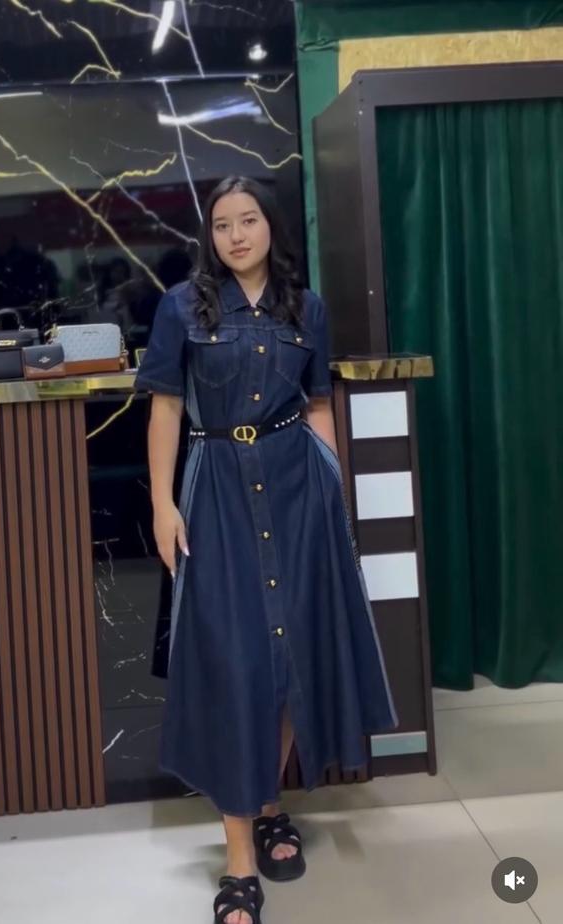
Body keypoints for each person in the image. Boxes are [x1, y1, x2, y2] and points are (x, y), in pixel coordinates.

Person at [134, 176, 398, 924]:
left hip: (297, 488)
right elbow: (166, 407)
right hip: (216, 489)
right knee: (234, 665)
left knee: (289, 661)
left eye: (248, 220)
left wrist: (334, 495)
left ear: (271, 227)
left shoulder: (306, 308)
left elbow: (317, 404)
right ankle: (239, 858)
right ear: (209, 236)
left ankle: (267, 803)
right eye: (222, 225)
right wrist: (162, 504)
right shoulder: (181, 307)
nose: (236, 236)